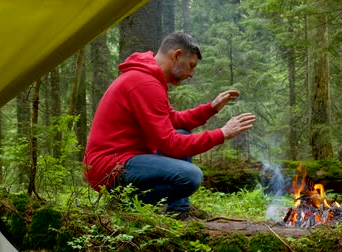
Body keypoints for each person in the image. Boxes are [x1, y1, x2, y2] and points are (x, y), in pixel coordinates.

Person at [83, 31, 256, 219]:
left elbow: (174, 120)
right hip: (108, 166)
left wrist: (211, 108)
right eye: (191, 66)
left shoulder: (148, 79)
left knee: (182, 131)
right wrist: (222, 133)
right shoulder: (144, 83)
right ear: (176, 55)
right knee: (190, 177)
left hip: (125, 159)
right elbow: (170, 144)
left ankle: (177, 211)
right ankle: (126, 204)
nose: (191, 74)